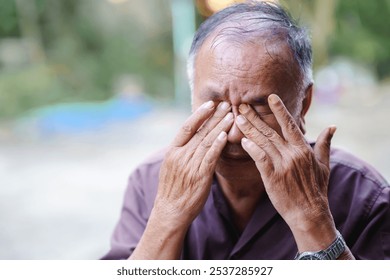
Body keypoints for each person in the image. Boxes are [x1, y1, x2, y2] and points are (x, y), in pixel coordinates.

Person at [102, 1, 390, 260]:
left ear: (304, 103)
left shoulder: (363, 195)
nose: (236, 134)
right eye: (215, 104)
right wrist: (166, 218)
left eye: (259, 107)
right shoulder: (150, 183)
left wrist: (311, 221)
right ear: (192, 98)